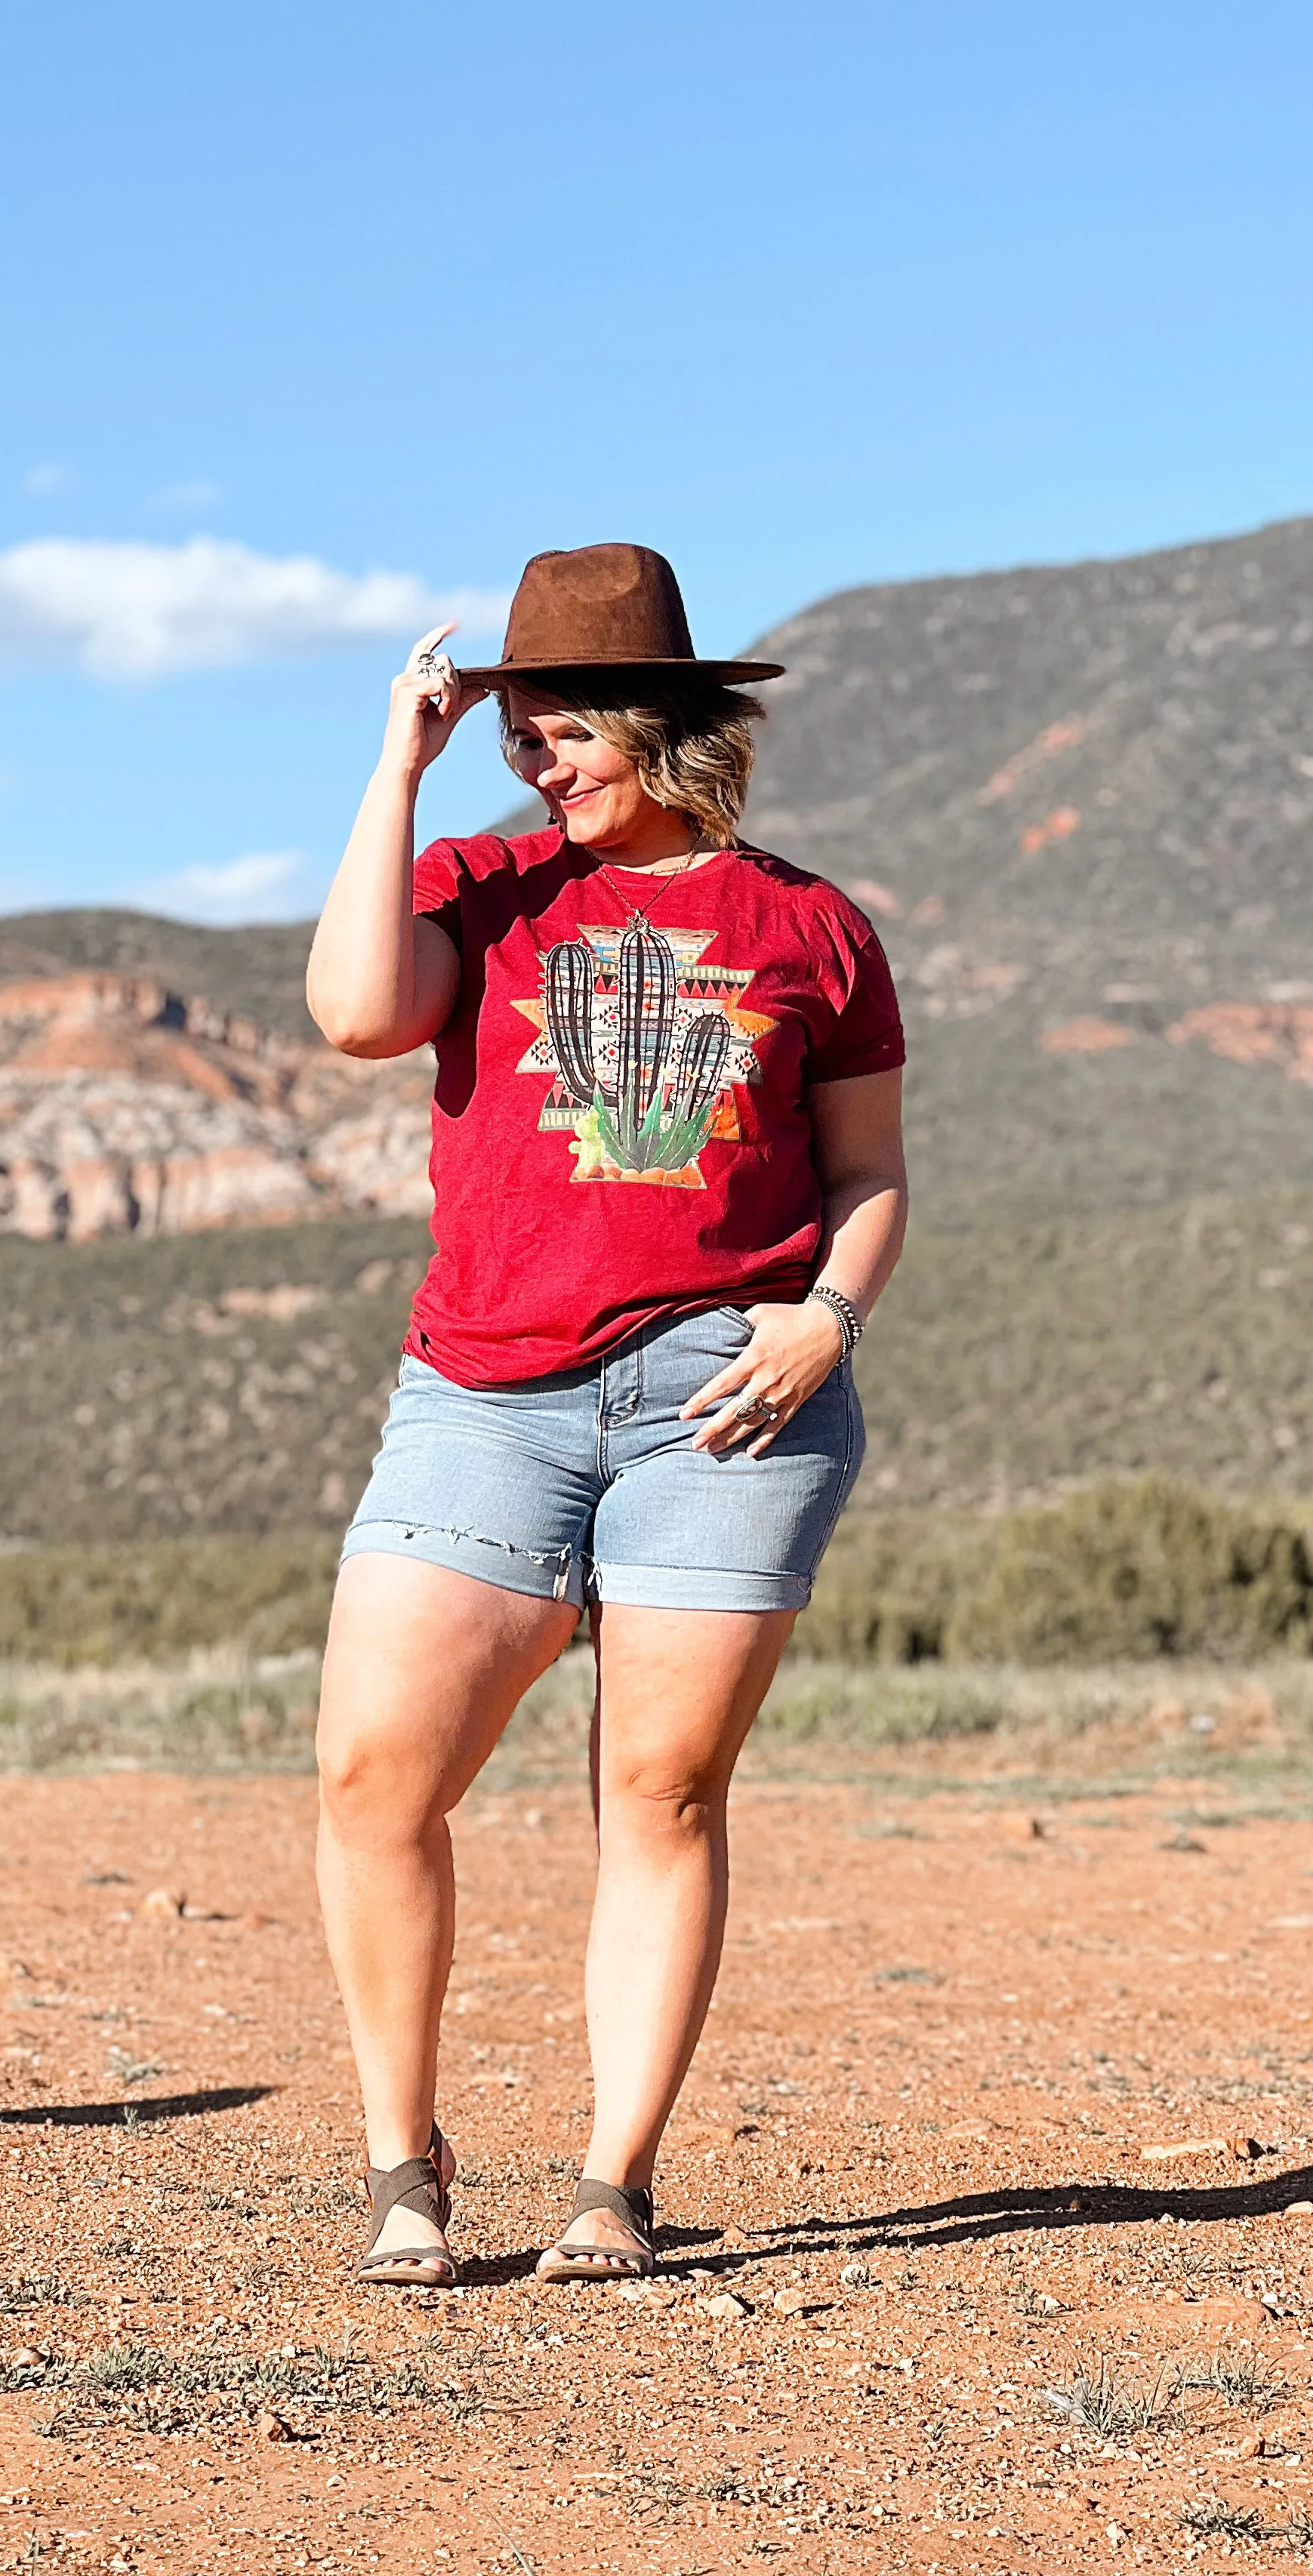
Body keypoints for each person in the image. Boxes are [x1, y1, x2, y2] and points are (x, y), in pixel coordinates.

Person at [305, 542, 908, 2287]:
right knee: (374, 1778)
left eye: (566, 728)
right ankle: (404, 2168)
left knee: (658, 1794)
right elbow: (357, 1015)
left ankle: (610, 2185)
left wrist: (827, 1323)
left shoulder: (812, 927)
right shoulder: (479, 885)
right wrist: (398, 767)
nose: (539, 759)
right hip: (486, 1393)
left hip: (726, 1402)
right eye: (519, 730)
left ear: (667, 724)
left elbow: (868, 1177)